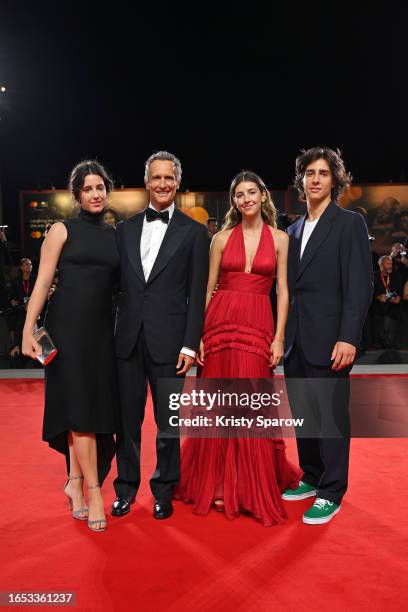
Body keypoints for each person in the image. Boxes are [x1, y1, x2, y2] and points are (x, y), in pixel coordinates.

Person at [176, 170, 301, 527]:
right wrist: (196, 335)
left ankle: (248, 484)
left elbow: (283, 291)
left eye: (251, 192)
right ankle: (216, 481)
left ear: (263, 195)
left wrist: (279, 337)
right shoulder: (220, 238)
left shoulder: (280, 239)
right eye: (239, 195)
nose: (245, 199)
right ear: (234, 201)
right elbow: (206, 289)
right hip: (218, 326)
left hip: (258, 325)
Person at [22, 160, 120, 532]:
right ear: (77, 194)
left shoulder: (114, 235)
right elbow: (42, 282)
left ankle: (74, 483)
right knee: (80, 410)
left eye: (100, 187)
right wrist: (29, 330)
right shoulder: (62, 230)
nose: (95, 194)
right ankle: (95, 491)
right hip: (65, 331)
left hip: (101, 335)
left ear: (106, 191)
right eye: (88, 188)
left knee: (91, 410)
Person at [111, 151, 209, 520]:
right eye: (156, 178)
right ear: (147, 181)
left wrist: (189, 342)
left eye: (169, 178)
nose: (163, 184)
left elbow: (196, 294)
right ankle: (125, 489)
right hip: (127, 341)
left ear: (178, 182)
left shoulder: (195, 233)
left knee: (168, 422)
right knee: (127, 422)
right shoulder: (125, 229)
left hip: (170, 343)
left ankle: (164, 489)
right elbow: (113, 286)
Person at [282, 147, 373, 524]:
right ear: (301, 181)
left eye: (323, 173)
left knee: (331, 416)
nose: (315, 179)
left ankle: (332, 490)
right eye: (309, 173)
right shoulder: (292, 230)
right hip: (296, 341)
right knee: (304, 414)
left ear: (334, 180)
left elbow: (359, 285)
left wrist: (348, 337)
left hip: (332, 339)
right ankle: (313, 475)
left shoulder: (349, 223)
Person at [373, 255, 403, 349]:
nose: (390, 266)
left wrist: (399, 297)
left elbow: (400, 291)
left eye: (391, 263)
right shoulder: (374, 276)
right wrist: (378, 297)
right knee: (381, 335)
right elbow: (367, 293)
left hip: (393, 311)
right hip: (378, 312)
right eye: (388, 263)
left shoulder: (396, 276)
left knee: (391, 336)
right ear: (381, 265)